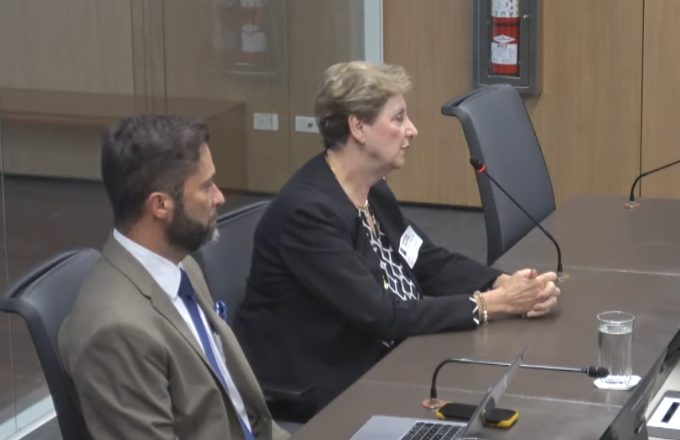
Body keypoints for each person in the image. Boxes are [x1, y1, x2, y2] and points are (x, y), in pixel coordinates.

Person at [232, 61, 561, 421]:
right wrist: (489, 305)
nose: (412, 130)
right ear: (358, 127)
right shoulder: (308, 214)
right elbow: (380, 313)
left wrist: (501, 283)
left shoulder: (371, 189)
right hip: (328, 385)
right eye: (399, 118)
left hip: (391, 353)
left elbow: (425, 259)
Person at [59, 115, 289, 440]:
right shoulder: (117, 332)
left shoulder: (181, 266)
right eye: (206, 186)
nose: (219, 197)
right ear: (160, 205)